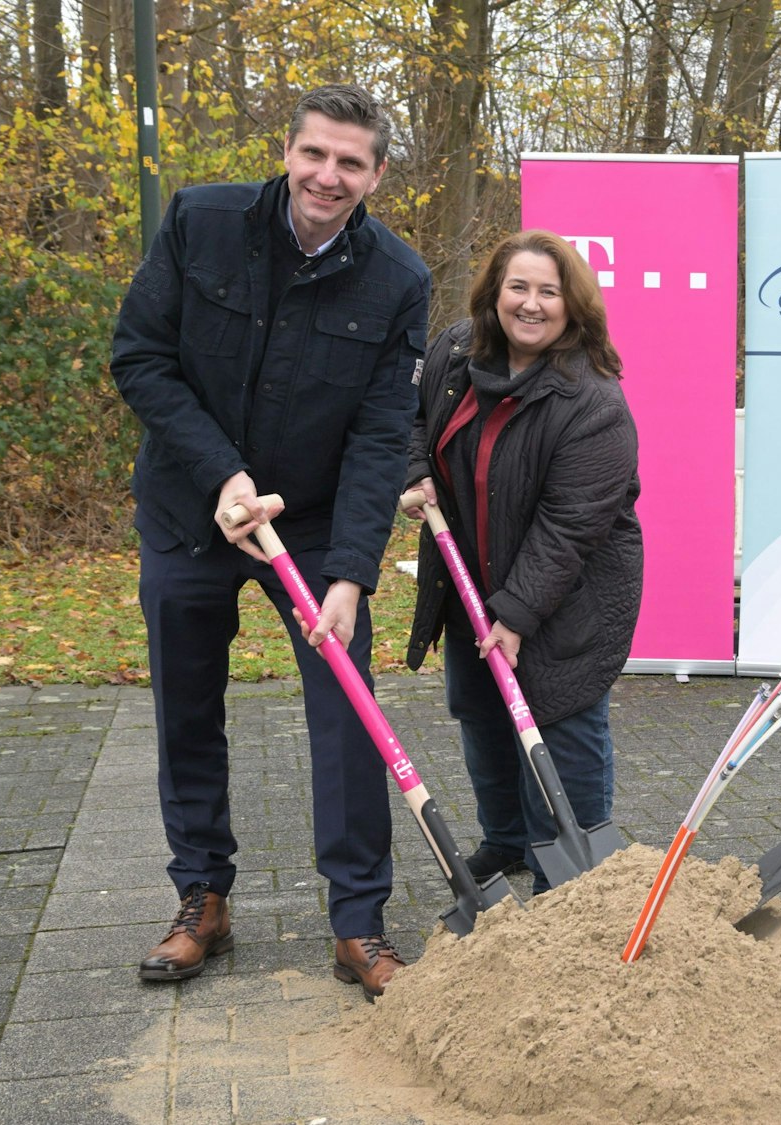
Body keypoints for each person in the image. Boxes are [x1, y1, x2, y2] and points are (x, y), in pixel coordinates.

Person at [111, 85, 430, 997]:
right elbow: (140, 354)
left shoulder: (398, 279)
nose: (329, 176)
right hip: (191, 511)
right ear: (287, 152)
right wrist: (221, 475)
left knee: (347, 716)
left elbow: (380, 431)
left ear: (375, 175)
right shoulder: (200, 221)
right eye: (315, 155)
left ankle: (359, 922)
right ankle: (201, 897)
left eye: (351, 163)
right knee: (186, 707)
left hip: (320, 524)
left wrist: (351, 573)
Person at [403, 230, 643, 897]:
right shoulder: (456, 352)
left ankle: (568, 871)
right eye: (518, 287)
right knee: (483, 714)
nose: (531, 304)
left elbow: (570, 526)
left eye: (549, 291)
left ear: (573, 305)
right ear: (494, 293)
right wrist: (418, 471)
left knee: (558, 721)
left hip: (564, 598)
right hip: (469, 582)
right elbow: (410, 418)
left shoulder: (592, 401)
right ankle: (506, 840)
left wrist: (513, 613)